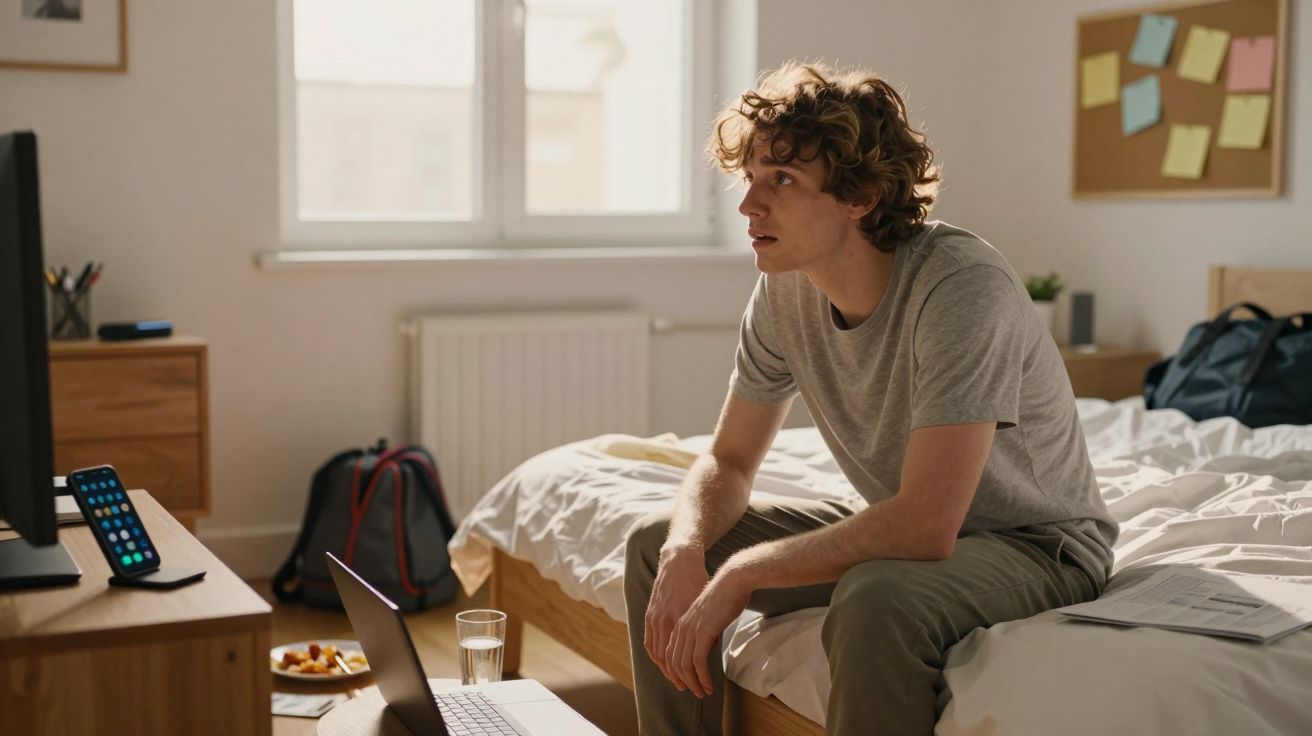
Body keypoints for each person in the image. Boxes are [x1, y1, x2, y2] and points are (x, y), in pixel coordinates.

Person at [623, 61, 1118, 736]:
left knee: (875, 597)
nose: (748, 206)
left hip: (1036, 544)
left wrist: (740, 574)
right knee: (660, 542)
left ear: (860, 197)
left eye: (783, 181)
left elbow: (923, 526)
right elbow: (731, 460)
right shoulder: (784, 287)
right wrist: (689, 550)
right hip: (905, 521)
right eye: (751, 179)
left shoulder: (961, 289)